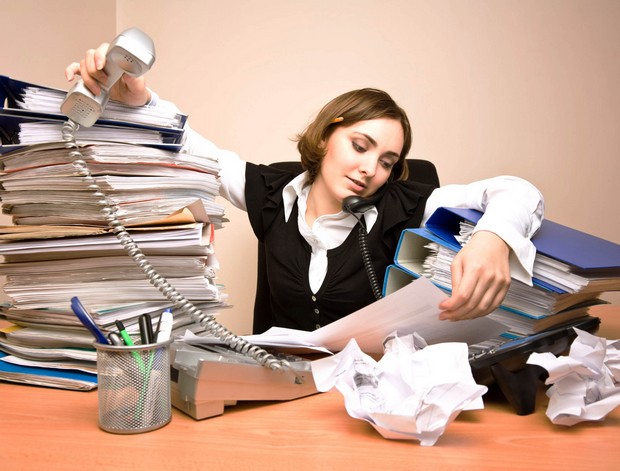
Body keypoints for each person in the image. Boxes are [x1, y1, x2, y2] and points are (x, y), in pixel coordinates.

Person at [65, 44, 544, 332]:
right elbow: (192, 147)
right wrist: (139, 98)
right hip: (281, 402)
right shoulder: (272, 193)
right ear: (328, 134)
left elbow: (518, 191)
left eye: (387, 161)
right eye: (360, 145)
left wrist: (492, 239)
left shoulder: (405, 204)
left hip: (370, 403)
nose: (370, 169)